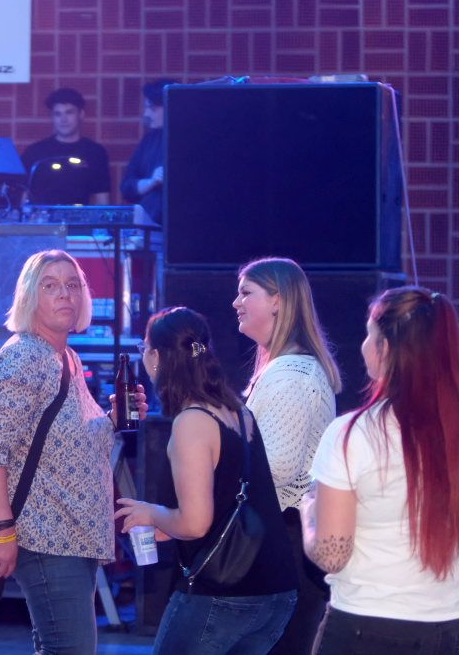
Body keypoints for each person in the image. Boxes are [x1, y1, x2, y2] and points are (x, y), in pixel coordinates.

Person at [115, 307, 298, 654]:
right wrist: (168, 525)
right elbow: (226, 498)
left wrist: (151, 513)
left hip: (224, 594)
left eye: (144, 349)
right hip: (275, 591)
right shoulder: (239, 412)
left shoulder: (192, 422)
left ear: (157, 357)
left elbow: (196, 523)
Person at [0, 249, 117, 654]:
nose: (65, 294)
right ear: (29, 297)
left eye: (73, 285)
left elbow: (75, 441)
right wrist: (3, 531)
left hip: (73, 538)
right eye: (50, 286)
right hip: (46, 540)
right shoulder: (22, 357)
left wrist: (115, 418)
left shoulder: (65, 356)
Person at [304, 286, 459, 653]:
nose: (363, 346)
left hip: (367, 626)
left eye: (368, 334)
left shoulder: (353, 434)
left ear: (385, 348)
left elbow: (331, 555)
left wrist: (308, 510)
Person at [234, 256, 340, 653]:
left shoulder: (291, 374)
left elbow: (277, 466)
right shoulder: (283, 368)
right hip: (285, 540)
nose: (236, 302)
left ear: (277, 300)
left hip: (285, 543)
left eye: (246, 292)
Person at [21, 87, 112, 205]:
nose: (63, 119)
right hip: (42, 216)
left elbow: (102, 199)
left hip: (79, 216)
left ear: (81, 114)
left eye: (69, 113)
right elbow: (23, 197)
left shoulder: (95, 152)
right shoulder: (35, 152)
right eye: (57, 114)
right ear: (52, 118)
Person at [119, 78, 178, 224]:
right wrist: (151, 182)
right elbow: (126, 187)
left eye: (152, 108)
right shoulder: (149, 140)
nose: (147, 114)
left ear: (169, 107)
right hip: (147, 226)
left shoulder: (189, 139)